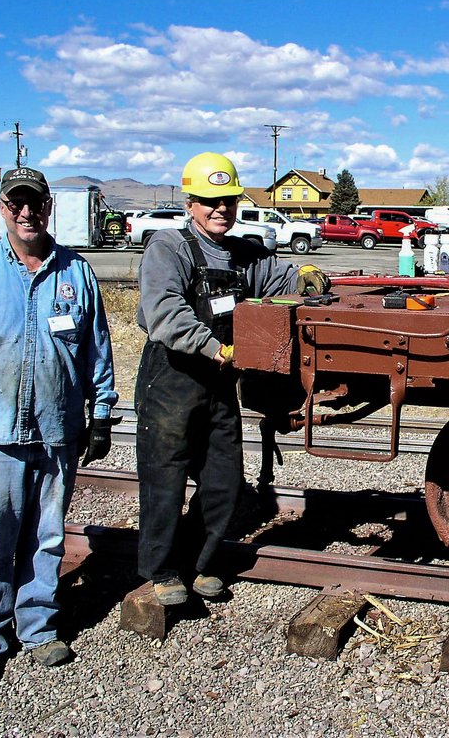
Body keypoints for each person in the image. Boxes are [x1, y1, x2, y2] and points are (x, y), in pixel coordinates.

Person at [0, 167, 118, 689]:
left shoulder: (75, 273)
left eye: (36, 202)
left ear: (49, 206)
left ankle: (37, 627)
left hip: (57, 433)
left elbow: (97, 351)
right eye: (17, 204)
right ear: (3, 208)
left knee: (47, 538)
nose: (27, 212)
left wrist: (100, 415)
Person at [135, 152, 329, 607]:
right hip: (172, 380)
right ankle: (162, 570)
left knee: (223, 480)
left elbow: (280, 275)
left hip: (221, 384)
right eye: (209, 200)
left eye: (227, 200)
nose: (220, 209)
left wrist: (304, 273)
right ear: (190, 203)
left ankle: (201, 563)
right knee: (164, 481)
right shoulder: (170, 247)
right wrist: (214, 348)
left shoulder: (244, 254)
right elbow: (164, 313)